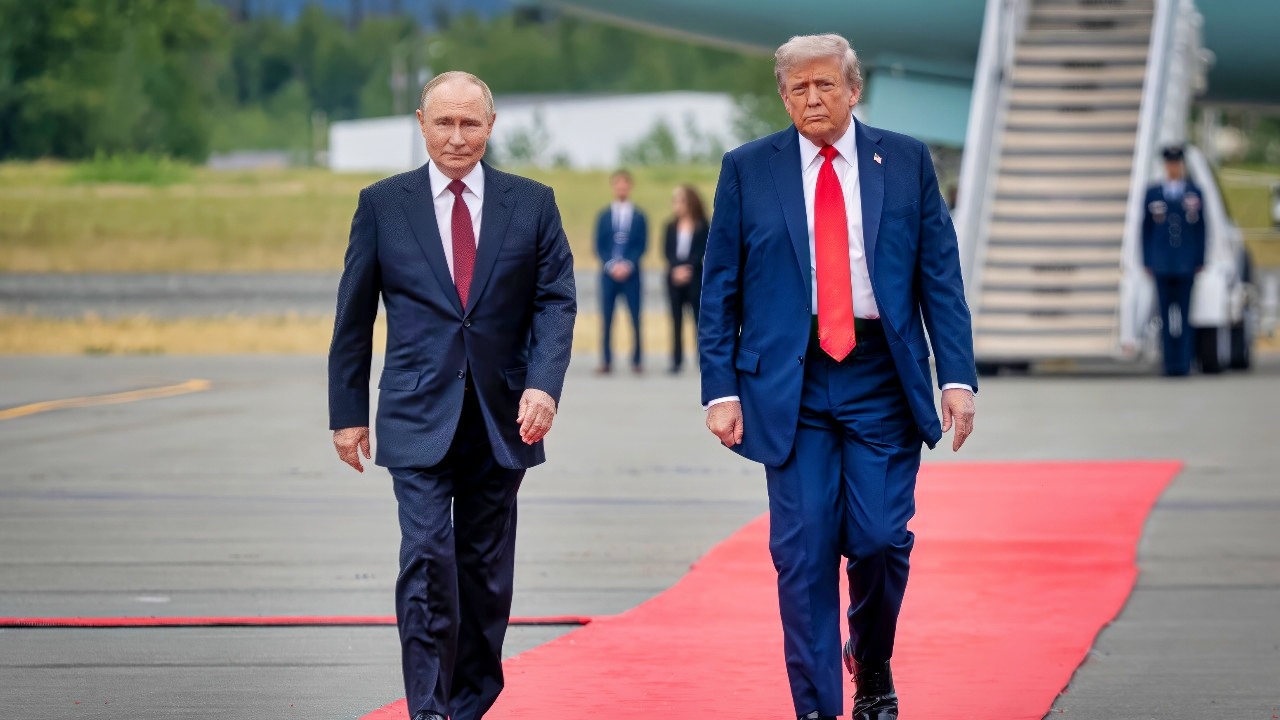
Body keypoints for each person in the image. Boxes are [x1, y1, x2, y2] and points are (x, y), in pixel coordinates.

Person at [699, 34, 977, 720]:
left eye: (826, 85)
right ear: (783, 97)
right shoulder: (747, 169)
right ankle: (817, 709)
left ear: (854, 90)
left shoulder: (905, 162)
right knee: (804, 555)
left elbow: (939, 278)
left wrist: (958, 378)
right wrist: (721, 388)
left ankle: (872, 661)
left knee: (881, 539)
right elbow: (719, 288)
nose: (813, 98)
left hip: (882, 373)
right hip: (789, 387)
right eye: (798, 88)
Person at [328, 71, 575, 720]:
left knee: (483, 578)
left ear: (490, 126)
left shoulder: (532, 203)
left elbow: (556, 302)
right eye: (445, 123)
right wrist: (347, 414)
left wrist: (544, 385)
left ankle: (468, 702)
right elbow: (354, 318)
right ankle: (430, 710)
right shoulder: (384, 205)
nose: (458, 137)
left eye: (471, 123)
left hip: (501, 418)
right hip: (415, 416)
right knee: (427, 561)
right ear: (421, 123)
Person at [1142, 145, 1206, 377]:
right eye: (1170, 163)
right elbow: (1146, 230)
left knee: (1185, 315)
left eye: (1177, 163)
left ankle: (1184, 362)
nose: (1173, 167)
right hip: (1162, 263)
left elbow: (1200, 229)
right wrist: (1147, 260)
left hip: (1186, 263)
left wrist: (1199, 259)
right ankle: (1169, 363)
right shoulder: (1154, 193)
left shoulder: (1193, 192)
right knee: (1165, 317)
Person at [594, 169, 647, 373]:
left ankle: (637, 360)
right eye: (618, 184)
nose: (621, 188)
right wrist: (611, 264)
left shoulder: (639, 215)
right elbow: (599, 245)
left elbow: (642, 245)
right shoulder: (604, 215)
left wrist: (628, 264)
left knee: (635, 317)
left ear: (630, 186)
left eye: (625, 184)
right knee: (607, 317)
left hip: (632, 275)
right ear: (613, 186)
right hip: (609, 275)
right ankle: (606, 360)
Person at [663, 184, 709, 373]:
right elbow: (666, 250)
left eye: (680, 200)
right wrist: (676, 268)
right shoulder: (670, 226)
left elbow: (701, 250)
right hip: (674, 278)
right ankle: (676, 360)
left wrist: (688, 268)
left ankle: (702, 359)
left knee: (698, 320)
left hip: (695, 276)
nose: (676, 204)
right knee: (676, 319)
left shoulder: (702, 226)